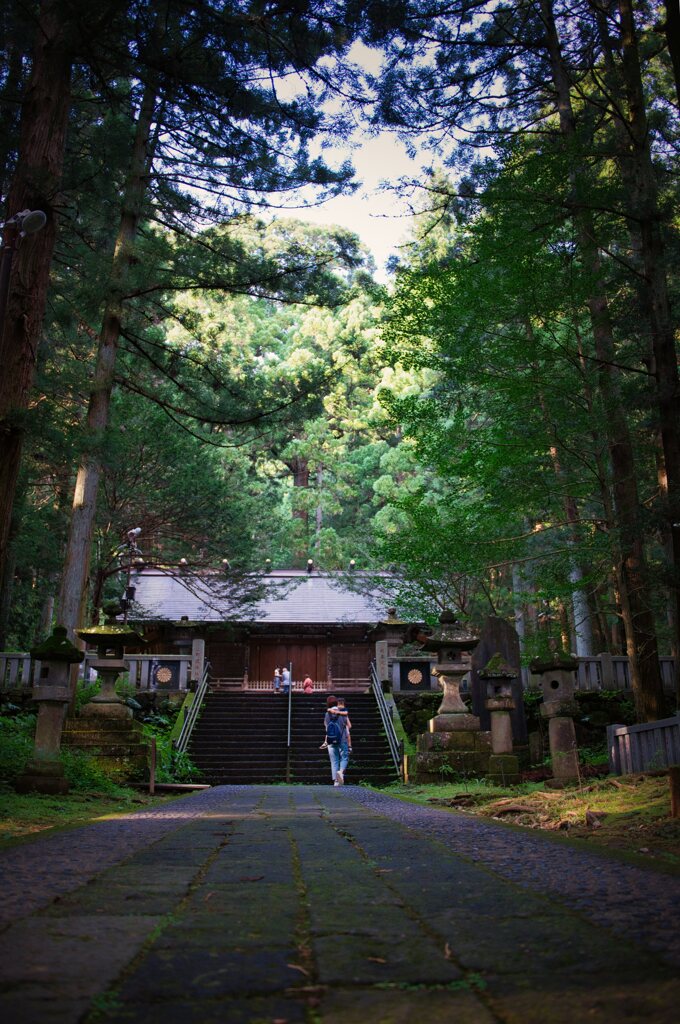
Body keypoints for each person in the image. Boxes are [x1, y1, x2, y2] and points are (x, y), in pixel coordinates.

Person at [323, 694, 349, 785]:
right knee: (344, 757)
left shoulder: (327, 714)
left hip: (331, 739)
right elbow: (347, 725)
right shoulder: (342, 712)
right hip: (342, 738)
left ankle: (336, 781)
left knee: (334, 760)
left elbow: (326, 727)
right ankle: (340, 772)